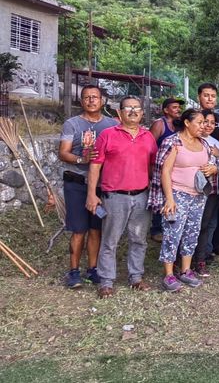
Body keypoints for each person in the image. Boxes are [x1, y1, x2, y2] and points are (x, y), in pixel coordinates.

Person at [86, 96, 158, 298]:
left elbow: (154, 166)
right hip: (114, 197)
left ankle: (136, 277)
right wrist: (92, 194)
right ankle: (106, 281)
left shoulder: (148, 137)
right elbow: (95, 166)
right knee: (110, 240)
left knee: (139, 239)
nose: (133, 111)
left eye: (137, 108)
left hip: (142, 196)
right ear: (119, 113)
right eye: (128, 108)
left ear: (142, 113)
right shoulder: (108, 135)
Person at [149, 109, 217, 292]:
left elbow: (211, 165)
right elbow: (165, 172)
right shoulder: (173, 142)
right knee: (173, 233)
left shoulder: (203, 143)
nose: (204, 126)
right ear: (187, 123)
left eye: (205, 123)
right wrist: (169, 199)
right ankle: (169, 274)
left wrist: (213, 170)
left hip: (199, 195)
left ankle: (186, 270)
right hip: (177, 194)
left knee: (192, 232)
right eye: (200, 122)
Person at [59, 85, 118, 288]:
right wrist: (81, 159)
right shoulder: (72, 124)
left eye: (95, 97)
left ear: (102, 101)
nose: (91, 100)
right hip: (77, 182)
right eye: (86, 97)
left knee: (96, 229)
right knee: (79, 229)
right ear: (81, 101)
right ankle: (73, 271)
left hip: (103, 184)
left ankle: (93, 269)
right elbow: (63, 152)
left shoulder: (112, 125)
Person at [193, 109, 219, 277]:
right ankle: (182, 260)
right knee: (190, 225)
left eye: (212, 122)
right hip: (191, 189)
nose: (209, 125)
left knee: (205, 225)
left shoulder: (216, 143)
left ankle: (200, 259)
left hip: (211, 190)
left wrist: (216, 167)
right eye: (205, 121)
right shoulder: (189, 139)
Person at [148, 97, 183, 243]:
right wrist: (150, 172)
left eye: (178, 107)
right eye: (174, 107)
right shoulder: (159, 124)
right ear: (165, 110)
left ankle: (171, 226)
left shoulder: (179, 124)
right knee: (160, 198)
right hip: (159, 168)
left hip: (175, 169)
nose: (178, 110)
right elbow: (149, 147)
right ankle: (156, 229)